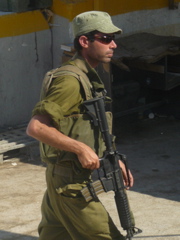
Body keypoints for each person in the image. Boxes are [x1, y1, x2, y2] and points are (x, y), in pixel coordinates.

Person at [26, 11, 134, 240]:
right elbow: (37, 127)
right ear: (85, 41)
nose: (113, 44)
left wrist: (114, 160)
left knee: (56, 235)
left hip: (65, 178)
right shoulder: (70, 80)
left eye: (113, 39)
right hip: (70, 183)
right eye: (105, 39)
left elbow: (90, 126)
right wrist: (81, 149)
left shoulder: (87, 77)